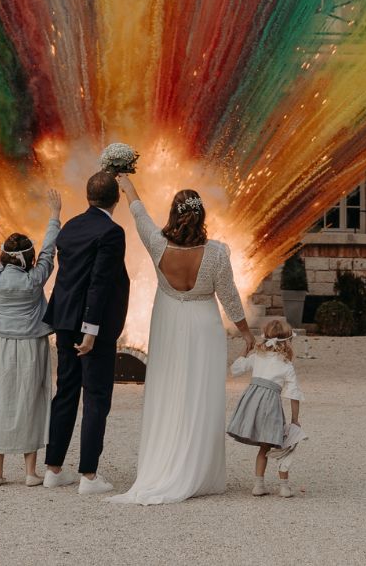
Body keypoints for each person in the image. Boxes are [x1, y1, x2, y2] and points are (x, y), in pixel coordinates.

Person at [111, 174, 254, 504]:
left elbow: (138, 212)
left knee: (168, 390)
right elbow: (229, 296)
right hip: (203, 323)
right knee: (200, 393)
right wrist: (245, 331)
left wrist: (126, 181)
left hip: (169, 319)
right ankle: (198, 471)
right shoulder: (217, 254)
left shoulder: (156, 243)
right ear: (202, 216)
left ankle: (162, 464)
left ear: (174, 215)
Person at [42, 170, 130, 494]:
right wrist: (91, 329)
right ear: (116, 199)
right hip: (93, 328)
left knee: (65, 391)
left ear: (88, 197)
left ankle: (53, 468)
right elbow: (99, 282)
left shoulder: (70, 228)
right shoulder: (112, 232)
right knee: (95, 398)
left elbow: (71, 278)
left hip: (64, 321)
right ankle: (89, 476)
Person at [0, 188, 61, 487]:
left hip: (0, 346)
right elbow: (50, 250)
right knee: (30, 402)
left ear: (5, 257)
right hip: (31, 346)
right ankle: (29, 472)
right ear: (29, 259)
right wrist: (54, 215)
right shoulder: (36, 279)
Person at [227, 316, 304, 498]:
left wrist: (245, 350)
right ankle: (284, 487)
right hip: (270, 407)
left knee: (264, 446)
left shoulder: (256, 357)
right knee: (282, 443)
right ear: (288, 341)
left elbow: (235, 369)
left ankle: (258, 485)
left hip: (251, 404)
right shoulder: (286, 365)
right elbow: (293, 394)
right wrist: (294, 420)